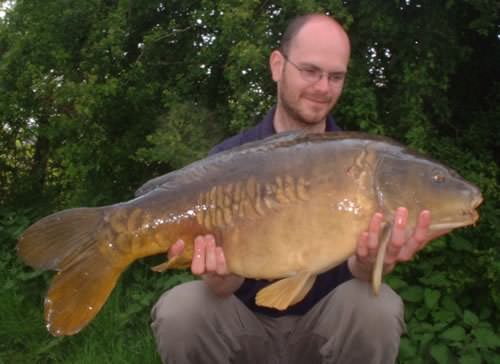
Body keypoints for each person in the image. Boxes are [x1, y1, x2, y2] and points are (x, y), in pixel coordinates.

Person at [150, 13, 448, 364]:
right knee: (181, 309)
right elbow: (222, 287)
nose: (323, 87)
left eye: (335, 76)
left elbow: (360, 276)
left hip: (324, 330)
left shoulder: (362, 166)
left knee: (377, 306)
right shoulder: (229, 161)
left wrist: (372, 261)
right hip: (244, 328)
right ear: (278, 65)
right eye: (310, 71)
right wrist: (218, 271)